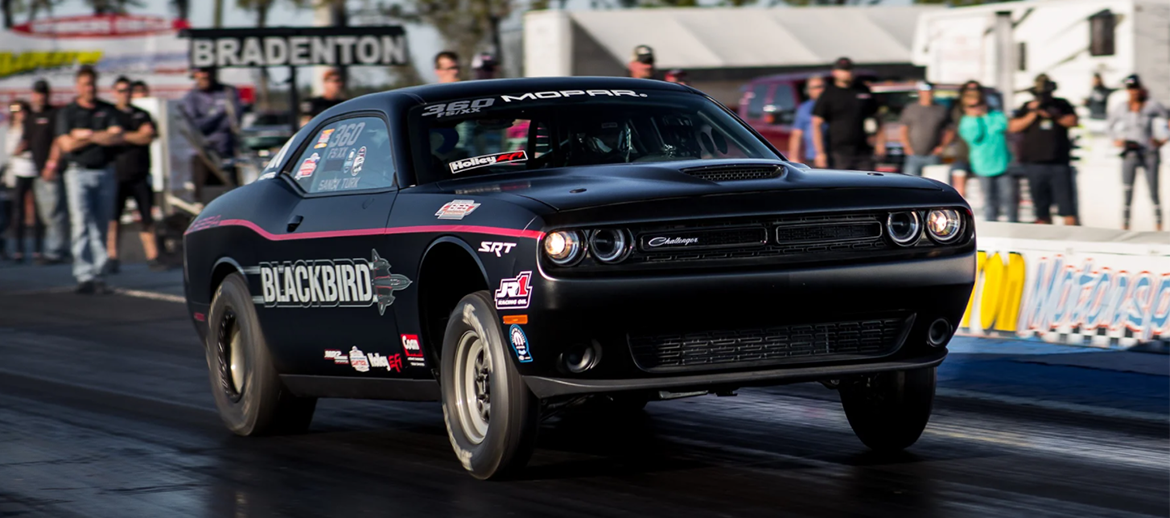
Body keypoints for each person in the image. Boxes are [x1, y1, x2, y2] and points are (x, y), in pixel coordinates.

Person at [55, 65, 124, 294]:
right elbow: (67, 145)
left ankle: (100, 273)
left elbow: (116, 137)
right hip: (78, 172)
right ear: (78, 86)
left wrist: (85, 135)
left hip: (104, 171)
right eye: (85, 84)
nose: (90, 88)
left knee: (101, 224)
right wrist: (99, 136)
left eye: (92, 84)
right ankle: (84, 274)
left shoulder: (107, 109)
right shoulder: (69, 112)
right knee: (81, 223)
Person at [107, 76, 163, 273]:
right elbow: (108, 138)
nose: (125, 94)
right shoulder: (109, 114)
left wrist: (123, 136)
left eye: (128, 90)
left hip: (139, 173)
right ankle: (112, 257)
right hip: (116, 175)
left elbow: (150, 136)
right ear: (114, 91)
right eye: (121, 90)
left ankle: (153, 256)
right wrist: (135, 136)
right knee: (114, 218)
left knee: (147, 217)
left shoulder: (142, 114)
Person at [1009, 73, 1079, 226]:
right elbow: (1014, 127)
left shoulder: (1061, 104)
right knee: (1041, 209)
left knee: (1067, 208)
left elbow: (1073, 121)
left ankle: (1072, 239)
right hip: (1035, 164)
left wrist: (1054, 115)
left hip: (1059, 163)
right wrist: (1034, 112)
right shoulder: (1027, 107)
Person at [1108, 74, 1168, 231]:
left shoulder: (1151, 105)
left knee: (1153, 191)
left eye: (1135, 89)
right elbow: (1109, 125)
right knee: (1127, 191)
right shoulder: (1122, 107)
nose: (1133, 92)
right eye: (1130, 89)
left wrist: (1163, 139)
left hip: (1149, 152)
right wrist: (1117, 140)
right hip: (1130, 153)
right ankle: (1125, 226)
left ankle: (1158, 226)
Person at [181, 66, 242, 204]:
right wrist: (220, 114)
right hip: (203, 154)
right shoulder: (190, 97)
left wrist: (212, 120)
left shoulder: (228, 91)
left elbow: (233, 121)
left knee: (231, 195)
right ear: (195, 75)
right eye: (201, 75)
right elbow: (196, 126)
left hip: (226, 152)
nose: (205, 77)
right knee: (203, 197)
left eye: (208, 73)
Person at [23, 79, 67, 265]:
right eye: (37, 93)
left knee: (55, 212)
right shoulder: (30, 118)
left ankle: (54, 251)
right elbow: (27, 141)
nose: (40, 96)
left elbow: (59, 140)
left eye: (43, 93)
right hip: (37, 171)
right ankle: (55, 247)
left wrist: (51, 164)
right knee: (45, 214)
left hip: (52, 171)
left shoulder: (55, 114)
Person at [958, 87, 1016, 222]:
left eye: (978, 104)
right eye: (971, 106)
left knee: (1009, 199)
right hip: (982, 165)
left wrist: (984, 115)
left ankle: (1013, 224)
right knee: (989, 200)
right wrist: (975, 118)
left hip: (1002, 163)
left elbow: (1002, 125)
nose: (976, 108)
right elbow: (975, 135)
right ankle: (992, 224)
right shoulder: (967, 121)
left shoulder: (996, 115)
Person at [811, 57, 880, 170]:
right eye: (843, 70)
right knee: (844, 184)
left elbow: (877, 117)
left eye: (849, 70)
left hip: (863, 150)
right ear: (835, 72)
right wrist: (820, 153)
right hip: (838, 151)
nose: (847, 73)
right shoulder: (828, 94)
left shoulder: (862, 90)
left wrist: (880, 143)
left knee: (867, 183)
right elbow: (816, 124)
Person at [6, 101, 44, 262]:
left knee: (38, 213)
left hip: (34, 171)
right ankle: (19, 251)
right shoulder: (10, 130)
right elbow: (11, 151)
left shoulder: (33, 126)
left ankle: (38, 250)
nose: (19, 114)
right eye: (15, 111)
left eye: (21, 111)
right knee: (18, 213)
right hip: (18, 172)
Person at [898, 81, 954, 177]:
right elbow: (903, 129)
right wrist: (907, 147)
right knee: (910, 183)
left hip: (933, 155)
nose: (927, 94)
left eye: (929, 91)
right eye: (924, 91)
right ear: (919, 92)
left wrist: (942, 147)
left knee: (934, 182)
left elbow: (950, 130)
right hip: (913, 155)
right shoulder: (910, 109)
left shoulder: (942, 109)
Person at [789, 75, 827, 163]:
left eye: (822, 86)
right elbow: (796, 134)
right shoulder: (804, 108)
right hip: (814, 156)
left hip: (836, 154)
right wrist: (794, 157)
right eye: (816, 88)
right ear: (808, 91)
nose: (820, 90)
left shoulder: (834, 105)